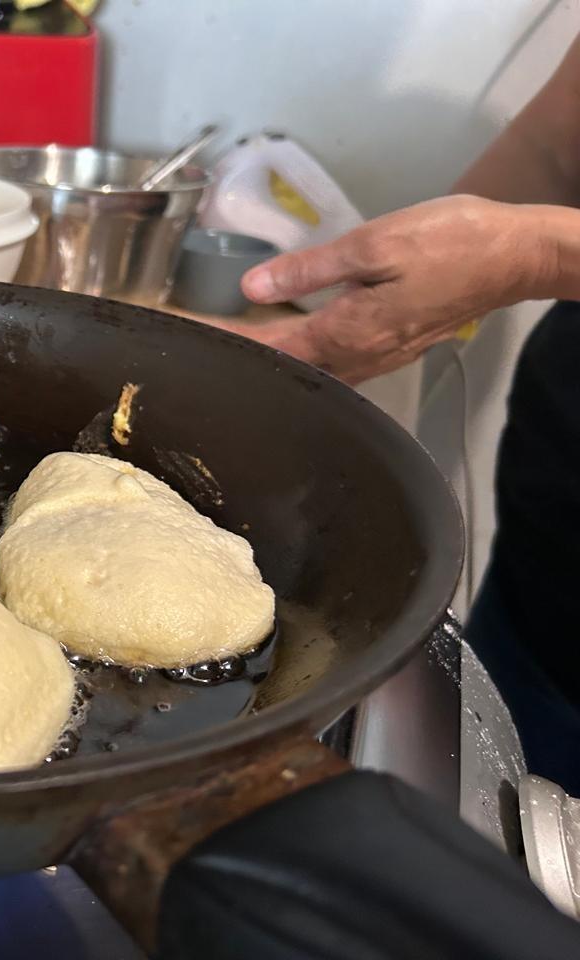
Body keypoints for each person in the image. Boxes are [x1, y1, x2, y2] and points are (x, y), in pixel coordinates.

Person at [224, 34, 580, 793]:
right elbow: (556, 147)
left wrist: (531, 255)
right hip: (558, 507)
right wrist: (407, 304)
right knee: (494, 806)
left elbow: (532, 241)